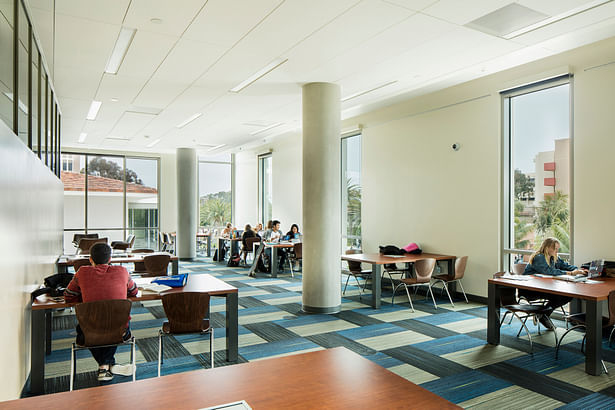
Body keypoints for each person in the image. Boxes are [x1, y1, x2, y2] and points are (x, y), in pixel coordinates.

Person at [64, 243, 138, 381]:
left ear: (90, 259)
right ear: (110, 259)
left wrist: (86, 295)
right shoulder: (123, 271)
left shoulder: (82, 272)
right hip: (120, 331)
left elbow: (68, 296)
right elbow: (134, 291)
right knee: (114, 323)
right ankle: (109, 365)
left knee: (92, 328)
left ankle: (104, 366)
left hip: (89, 332)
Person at [522, 237, 585, 330]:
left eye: (557, 249)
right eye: (555, 248)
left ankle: (543, 314)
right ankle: (543, 315)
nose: (556, 251)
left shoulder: (554, 257)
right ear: (547, 248)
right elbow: (548, 271)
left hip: (545, 287)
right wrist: (571, 273)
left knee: (567, 296)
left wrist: (578, 270)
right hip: (531, 289)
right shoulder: (539, 257)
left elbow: (565, 266)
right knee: (560, 296)